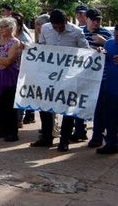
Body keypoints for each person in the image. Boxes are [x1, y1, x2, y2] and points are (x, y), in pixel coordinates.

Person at [30, 9, 89, 151]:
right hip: (48, 76)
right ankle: (46, 138)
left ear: (66, 20)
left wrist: (97, 52)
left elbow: (86, 51)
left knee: (67, 110)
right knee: (44, 107)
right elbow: (42, 46)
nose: (58, 30)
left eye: (60, 26)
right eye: (55, 27)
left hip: (68, 77)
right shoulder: (45, 28)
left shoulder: (76, 32)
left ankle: (64, 141)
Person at [83, 8, 112, 148]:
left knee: (100, 109)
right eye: (93, 20)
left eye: (98, 20)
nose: (96, 23)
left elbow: (112, 52)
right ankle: (79, 132)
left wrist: (104, 42)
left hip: (101, 79)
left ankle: (97, 137)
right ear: (86, 19)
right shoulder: (80, 33)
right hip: (83, 77)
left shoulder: (105, 34)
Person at [96, 24, 118, 154]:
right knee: (109, 118)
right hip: (109, 88)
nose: (116, 38)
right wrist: (100, 51)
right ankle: (111, 143)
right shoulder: (109, 43)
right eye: (115, 35)